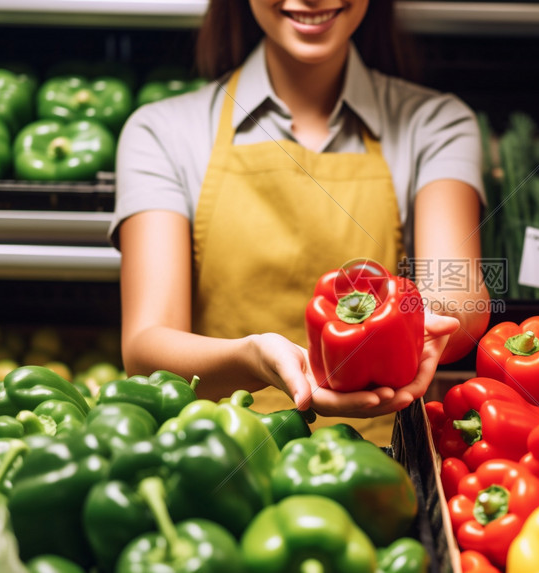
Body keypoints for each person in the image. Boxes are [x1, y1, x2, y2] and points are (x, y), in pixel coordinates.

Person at [109, 0, 490, 443]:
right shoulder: (162, 131)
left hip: (383, 462)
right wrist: (254, 359)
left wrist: (435, 318)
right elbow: (145, 347)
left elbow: (457, 288)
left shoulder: (436, 125)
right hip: (214, 457)